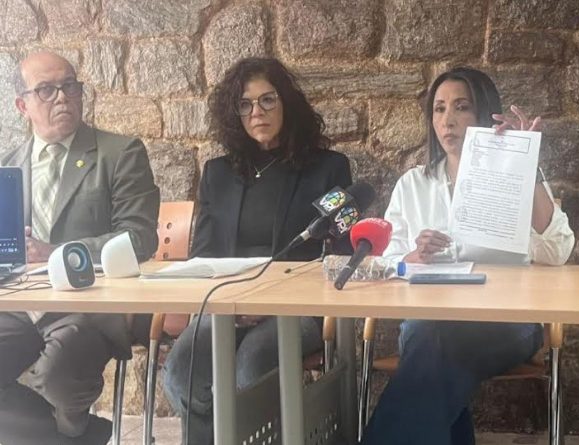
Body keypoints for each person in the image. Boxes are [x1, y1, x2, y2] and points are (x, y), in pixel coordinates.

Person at [361, 67, 575, 445]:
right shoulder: (413, 184)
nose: (448, 120)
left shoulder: (515, 175)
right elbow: (388, 264)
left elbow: (557, 250)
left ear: (483, 114)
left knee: (432, 348)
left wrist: (525, 165)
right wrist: (414, 255)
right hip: (428, 320)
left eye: (461, 107)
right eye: (439, 109)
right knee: (433, 349)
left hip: (506, 320)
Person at [163, 57, 353, 445]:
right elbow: (204, 255)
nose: (257, 113)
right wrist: (233, 304)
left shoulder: (330, 169)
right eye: (245, 104)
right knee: (182, 370)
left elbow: (342, 253)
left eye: (267, 100)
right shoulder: (218, 174)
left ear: (287, 103)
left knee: (251, 367)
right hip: (226, 306)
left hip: (295, 308)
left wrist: (270, 302)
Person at [0, 51, 160, 445]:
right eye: (46, 90)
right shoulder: (8, 166)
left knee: (57, 372)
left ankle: (70, 432)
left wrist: (56, 251)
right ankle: (77, 436)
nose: (62, 97)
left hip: (89, 306)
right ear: (22, 105)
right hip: (19, 305)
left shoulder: (119, 153)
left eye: (70, 86)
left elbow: (139, 237)